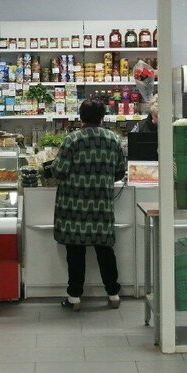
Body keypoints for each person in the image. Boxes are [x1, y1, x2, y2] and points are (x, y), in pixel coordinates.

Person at [46, 98, 127, 311]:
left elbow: (58, 171)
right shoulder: (113, 139)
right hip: (101, 205)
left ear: (81, 117)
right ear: (102, 117)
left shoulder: (72, 139)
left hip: (74, 207)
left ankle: (74, 297)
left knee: (75, 253)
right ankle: (113, 293)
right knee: (105, 251)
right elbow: (120, 171)